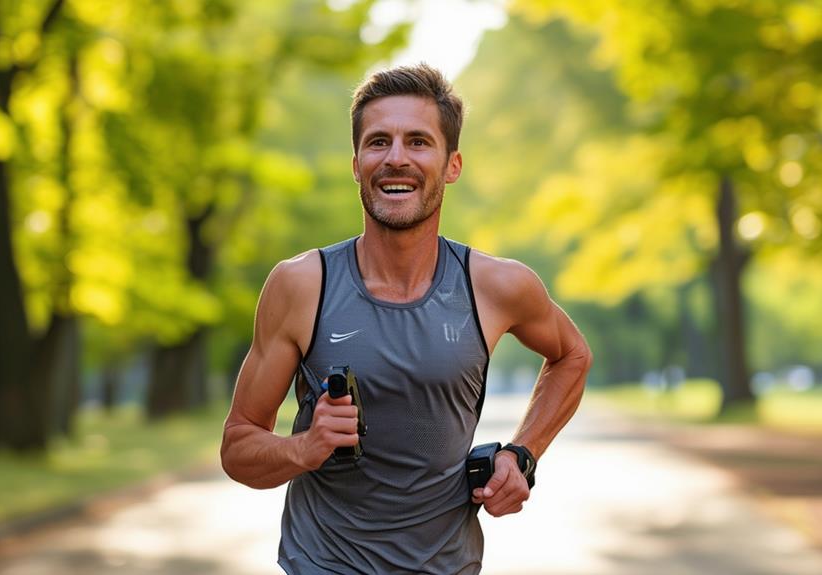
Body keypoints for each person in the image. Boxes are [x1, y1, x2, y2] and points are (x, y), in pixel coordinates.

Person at [220, 63, 592, 574]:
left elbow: (572, 355)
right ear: (356, 164)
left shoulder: (496, 286)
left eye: (418, 142)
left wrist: (522, 455)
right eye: (378, 142)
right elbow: (239, 449)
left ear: (452, 164)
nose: (396, 158)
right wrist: (305, 448)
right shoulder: (301, 285)